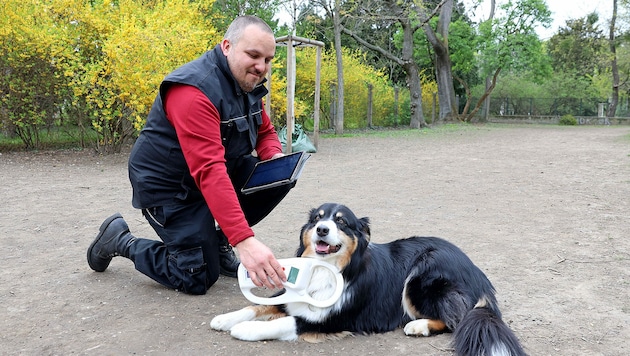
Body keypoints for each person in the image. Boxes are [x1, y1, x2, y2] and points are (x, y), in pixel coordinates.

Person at [87, 15, 292, 295]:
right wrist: (244, 240)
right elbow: (210, 171)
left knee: (280, 176)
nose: (261, 67)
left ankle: (216, 244)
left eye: (267, 60)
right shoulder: (194, 91)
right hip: (171, 188)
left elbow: (265, 131)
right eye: (254, 55)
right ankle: (120, 240)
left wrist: (273, 157)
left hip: (209, 177)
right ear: (227, 46)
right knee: (196, 277)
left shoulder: (246, 82)